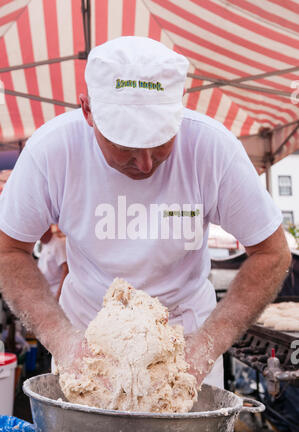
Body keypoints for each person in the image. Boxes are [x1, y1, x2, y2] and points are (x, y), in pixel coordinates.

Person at [0, 36, 291, 389]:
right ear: (88, 111)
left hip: (186, 341)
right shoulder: (52, 151)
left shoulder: (213, 149)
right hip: (88, 341)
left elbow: (272, 252)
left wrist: (206, 346)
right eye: (126, 148)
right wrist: (62, 339)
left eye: (161, 143)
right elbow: (9, 250)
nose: (146, 163)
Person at [37, 226, 68, 302]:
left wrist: (59, 294)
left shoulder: (58, 244)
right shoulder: (44, 245)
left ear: (48, 230)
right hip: (47, 292)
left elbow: (66, 270)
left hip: (57, 293)